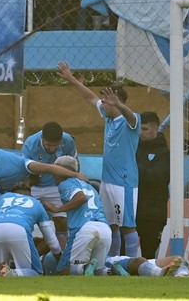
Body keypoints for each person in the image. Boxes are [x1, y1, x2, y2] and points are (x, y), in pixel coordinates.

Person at [0, 147, 87, 277]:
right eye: (31, 185)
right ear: (29, 177)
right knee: (2, 218)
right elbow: (48, 167)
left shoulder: (4, 185)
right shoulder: (25, 164)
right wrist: (75, 174)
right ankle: (12, 266)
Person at [57, 61, 141, 258]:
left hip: (124, 183)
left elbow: (131, 116)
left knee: (128, 226)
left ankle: (133, 263)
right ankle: (111, 262)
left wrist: (119, 104)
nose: (102, 104)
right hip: (107, 181)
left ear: (117, 102)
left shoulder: (131, 121)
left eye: (106, 101)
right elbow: (90, 97)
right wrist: (71, 79)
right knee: (111, 225)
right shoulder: (108, 117)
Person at [0, 181, 62, 277]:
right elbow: (52, 241)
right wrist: (60, 262)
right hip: (18, 229)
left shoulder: (1, 199)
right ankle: (11, 273)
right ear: (31, 195)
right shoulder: (36, 203)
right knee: (35, 273)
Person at [43, 155, 111, 276]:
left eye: (56, 170)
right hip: (105, 229)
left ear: (64, 170)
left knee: (64, 270)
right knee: (98, 270)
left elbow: (81, 198)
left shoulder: (66, 183)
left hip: (85, 229)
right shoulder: (90, 186)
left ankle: (84, 268)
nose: (53, 174)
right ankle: (111, 271)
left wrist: (57, 209)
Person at [22, 121, 77, 248]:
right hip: (34, 186)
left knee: (62, 220)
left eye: (55, 145)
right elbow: (24, 170)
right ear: (42, 138)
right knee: (25, 220)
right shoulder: (30, 144)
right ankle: (26, 250)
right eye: (48, 145)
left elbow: (74, 164)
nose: (52, 149)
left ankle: (61, 254)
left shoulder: (68, 141)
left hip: (56, 187)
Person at [136, 111, 170, 259]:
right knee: (124, 253)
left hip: (153, 214)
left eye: (145, 129)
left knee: (149, 256)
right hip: (132, 212)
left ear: (156, 128)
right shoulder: (134, 149)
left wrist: (133, 168)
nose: (141, 133)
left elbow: (157, 177)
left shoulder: (165, 153)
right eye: (139, 129)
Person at [105, 254, 189, 276]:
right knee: (139, 261)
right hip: (114, 262)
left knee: (177, 258)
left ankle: (182, 275)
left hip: (132, 260)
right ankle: (159, 272)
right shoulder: (106, 261)